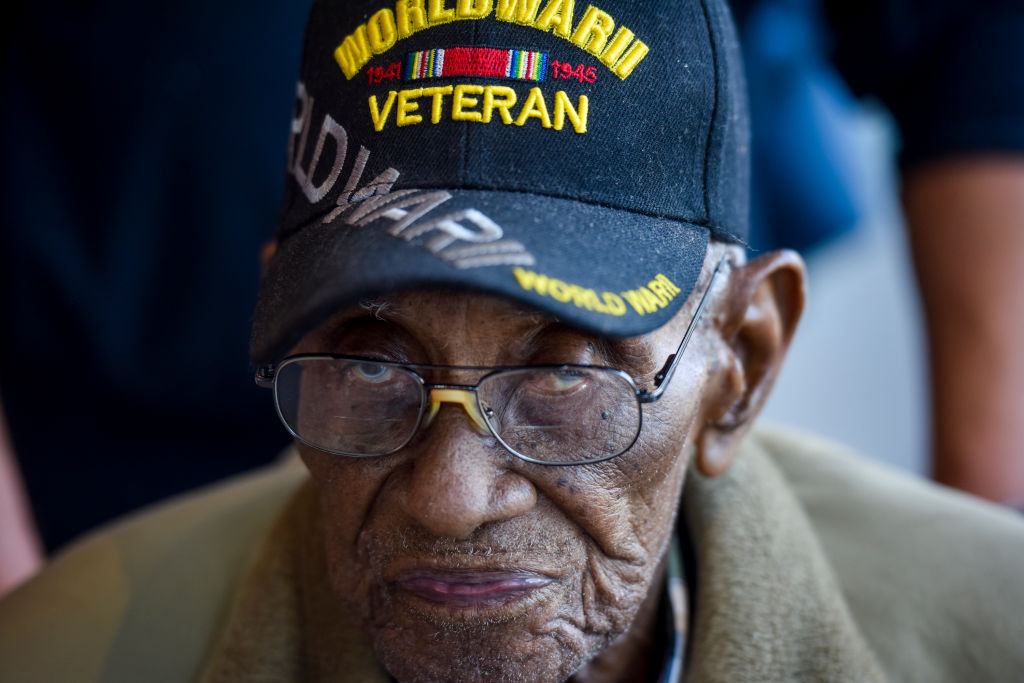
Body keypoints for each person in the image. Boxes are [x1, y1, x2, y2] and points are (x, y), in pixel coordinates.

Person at [1, 0, 1022, 681]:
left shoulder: (992, 630)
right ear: (279, 316)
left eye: (566, 378)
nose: (449, 499)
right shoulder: (65, 649)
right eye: (368, 362)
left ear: (742, 362)